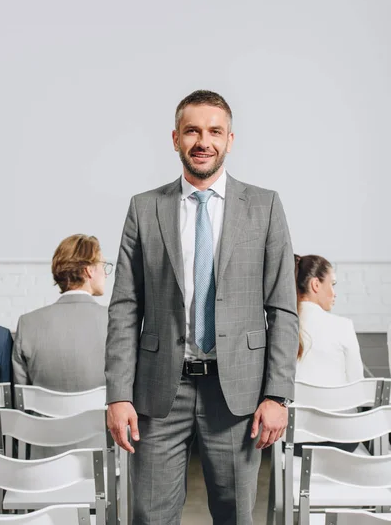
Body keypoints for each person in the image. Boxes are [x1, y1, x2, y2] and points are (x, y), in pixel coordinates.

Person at [105, 89, 299, 525]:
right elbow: (124, 307)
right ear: (175, 138)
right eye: (192, 130)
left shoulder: (265, 207)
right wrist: (118, 394)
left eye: (214, 131)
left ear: (231, 139)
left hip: (238, 395)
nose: (203, 141)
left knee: (234, 516)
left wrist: (278, 394)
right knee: (149, 516)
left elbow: (283, 308)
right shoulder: (144, 208)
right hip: (157, 394)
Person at [12, 234, 111, 391]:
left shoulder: (27, 324)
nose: (106, 274)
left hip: (43, 416)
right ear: (89, 270)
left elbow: (20, 399)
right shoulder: (115, 321)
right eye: (103, 266)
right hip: (100, 416)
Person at [295, 254, 364, 386]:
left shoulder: (279, 327)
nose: (334, 293)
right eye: (332, 284)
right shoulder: (343, 326)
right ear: (315, 284)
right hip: (339, 406)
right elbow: (357, 385)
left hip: (294, 407)